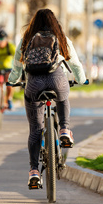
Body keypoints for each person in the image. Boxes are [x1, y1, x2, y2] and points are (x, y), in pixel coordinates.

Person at [7, 9, 87, 188]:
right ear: (54, 22)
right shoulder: (61, 38)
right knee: (63, 97)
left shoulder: (26, 40)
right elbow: (74, 63)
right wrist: (82, 80)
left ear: (33, 23)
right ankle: (65, 129)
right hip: (56, 80)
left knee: (35, 129)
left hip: (34, 84)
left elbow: (16, 68)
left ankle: (34, 171)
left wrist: (12, 82)